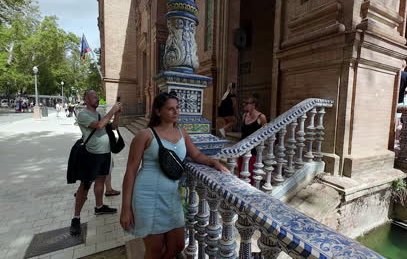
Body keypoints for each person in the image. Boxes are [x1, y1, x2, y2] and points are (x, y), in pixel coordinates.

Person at [120, 92, 229, 259]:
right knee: (154, 249)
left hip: (171, 195)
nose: (176, 112)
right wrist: (126, 209)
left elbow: (196, 155)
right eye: (170, 109)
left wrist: (213, 162)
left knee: (177, 245)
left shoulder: (181, 132)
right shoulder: (145, 135)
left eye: (177, 108)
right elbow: (131, 171)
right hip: (146, 196)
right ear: (158, 111)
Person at [70, 90, 123, 236]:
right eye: (94, 97)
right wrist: (112, 110)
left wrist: (117, 114)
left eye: (97, 97)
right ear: (86, 99)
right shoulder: (83, 114)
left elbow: (113, 127)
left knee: (100, 181)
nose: (97, 99)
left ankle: (99, 206)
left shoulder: (99, 113)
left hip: (105, 154)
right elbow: (99, 126)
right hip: (91, 155)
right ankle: (76, 217)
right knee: (85, 185)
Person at [237, 94, 267, 185]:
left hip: (253, 150)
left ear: (253, 104)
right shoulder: (244, 116)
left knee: (250, 173)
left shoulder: (261, 117)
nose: (244, 105)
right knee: (240, 172)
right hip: (242, 148)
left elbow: (266, 133)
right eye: (243, 103)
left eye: (246, 103)